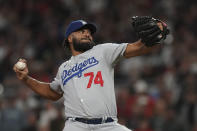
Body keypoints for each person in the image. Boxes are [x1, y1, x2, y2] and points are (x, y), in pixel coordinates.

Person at [13, 19, 167, 131]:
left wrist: (159, 33)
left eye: (89, 32)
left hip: (108, 125)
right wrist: (26, 79)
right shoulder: (64, 68)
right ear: (69, 38)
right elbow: (53, 93)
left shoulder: (103, 51)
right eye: (81, 31)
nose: (87, 34)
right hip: (76, 126)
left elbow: (139, 48)